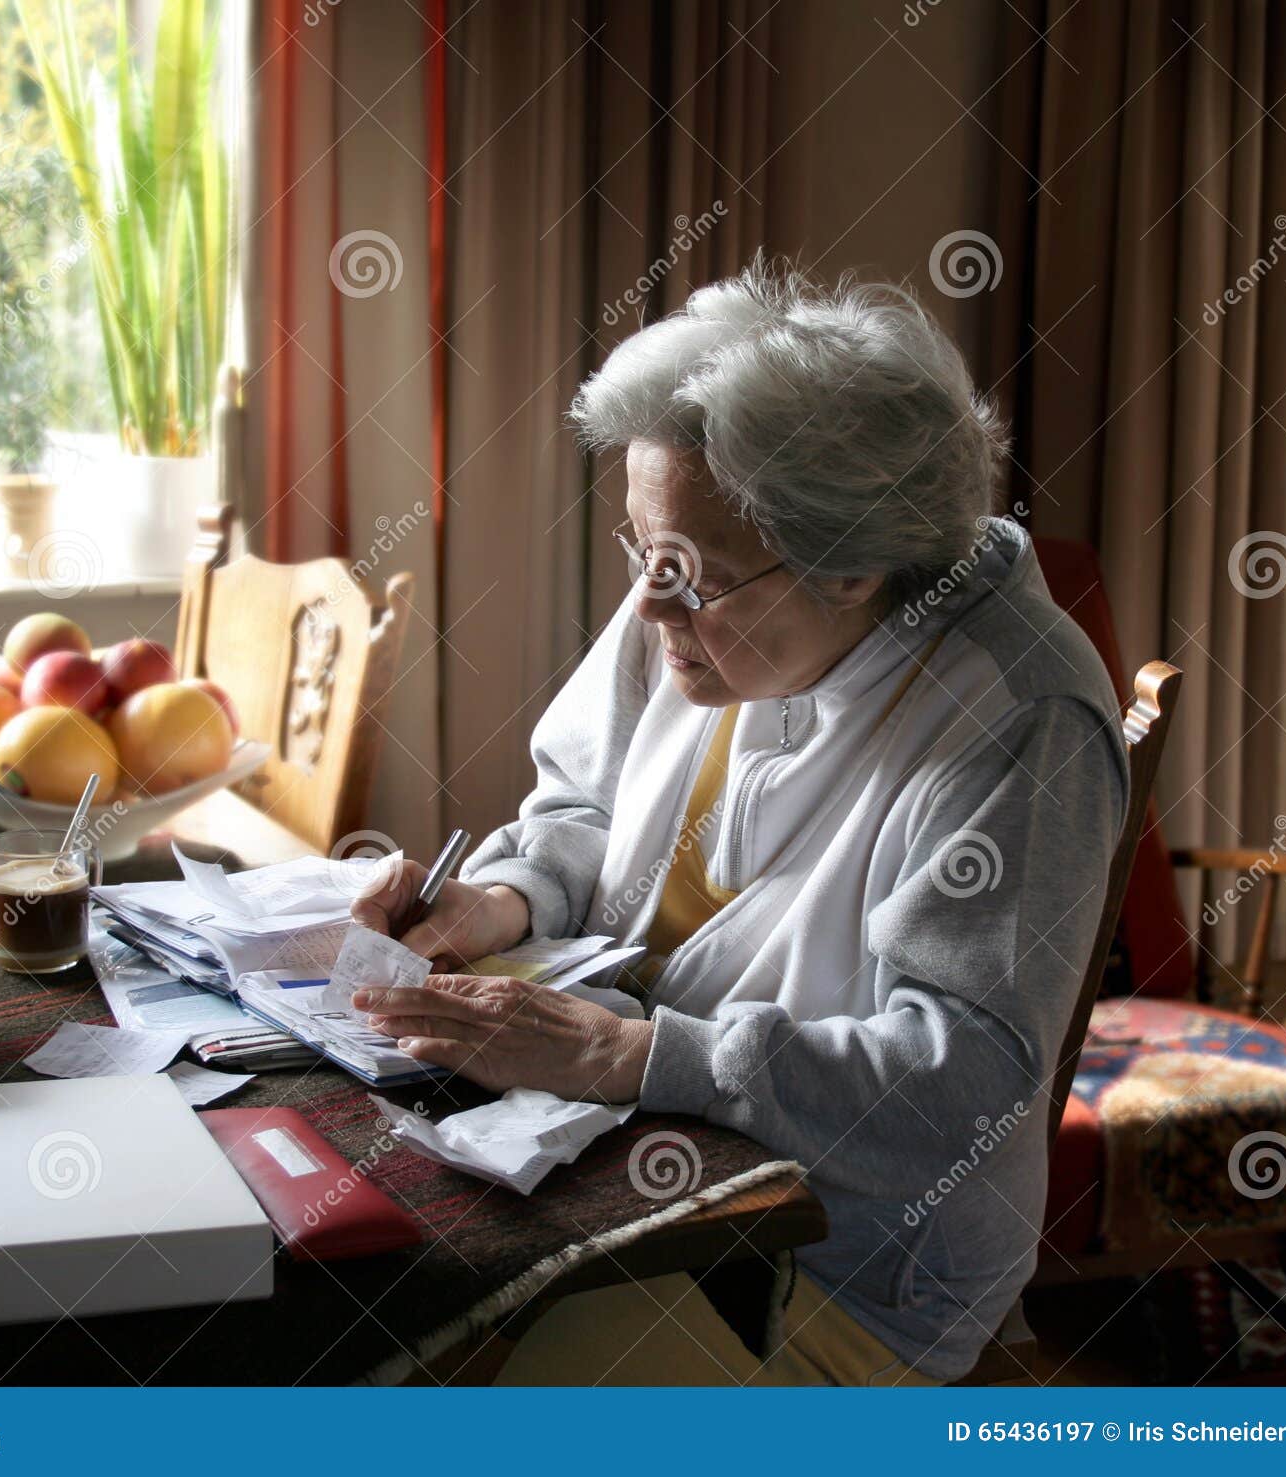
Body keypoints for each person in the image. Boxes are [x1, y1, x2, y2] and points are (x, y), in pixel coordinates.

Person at [350, 258, 1129, 1384]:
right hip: (631, 1157)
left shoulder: (1014, 719)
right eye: (639, 549)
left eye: (692, 575)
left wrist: (635, 1054)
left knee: (469, 1381)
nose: (649, 602)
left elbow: (959, 1079)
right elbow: (578, 804)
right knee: (354, 1279)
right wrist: (505, 896)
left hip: (839, 1261)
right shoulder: (705, 581)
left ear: (854, 565)